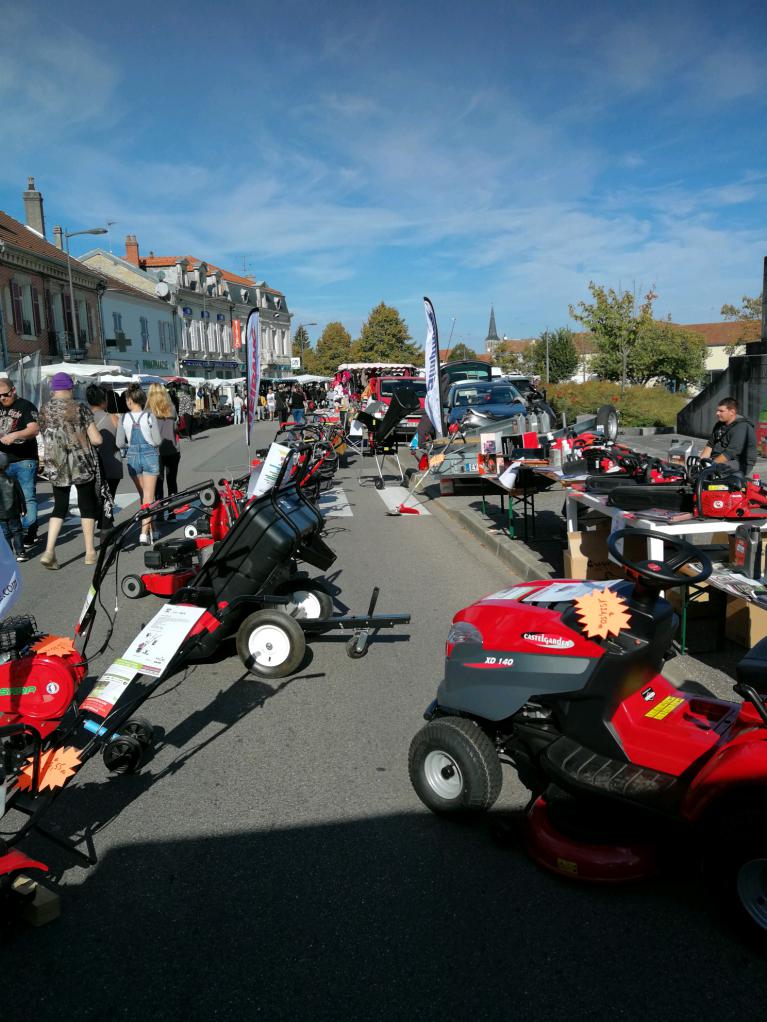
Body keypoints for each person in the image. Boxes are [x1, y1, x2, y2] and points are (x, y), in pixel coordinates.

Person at [37, 372, 103, 569]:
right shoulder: (80, 408)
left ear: (53, 389)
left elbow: (45, 435)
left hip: (56, 464)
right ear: (70, 388)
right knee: (86, 504)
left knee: (60, 506)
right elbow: (96, 439)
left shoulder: (44, 410)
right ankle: (90, 552)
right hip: (81, 463)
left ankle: (49, 551)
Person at [117, 383, 162, 545]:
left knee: (144, 496)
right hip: (150, 455)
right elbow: (157, 441)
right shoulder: (150, 417)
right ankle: (144, 533)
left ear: (129, 400)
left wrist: (131, 446)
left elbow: (119, 443)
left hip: (133, 457)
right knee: (149, 496)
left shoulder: (123, 418)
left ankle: (153, 529)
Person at [0, 378, 40, 552]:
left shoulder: (26, 406)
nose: (2, 398)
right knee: (6, 501)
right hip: (3, 461)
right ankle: (12, 535)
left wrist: (14, 435)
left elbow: (34, 429)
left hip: (25, 460)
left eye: (5, 394)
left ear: (13, 390)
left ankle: (28, 532)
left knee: (27, 497)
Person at [87, 384, 123, 534]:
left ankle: (104, 525)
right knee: (109, 497)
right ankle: (106, 527)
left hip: (90, 466)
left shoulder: (83, 418)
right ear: (104, 400)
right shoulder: (113, 418)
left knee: (94, 497)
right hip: (112, 465)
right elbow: (121, 442)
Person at [700, 396, 757, 476]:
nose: (717, 413)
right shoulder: (719, 425)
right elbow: (710, 445)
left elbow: (730, 453)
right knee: (697, 469)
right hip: (720, 459)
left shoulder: (742, 427)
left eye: (721, 411)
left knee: (714, 471)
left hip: (739, 462)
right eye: (717, 410)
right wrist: (700, 462)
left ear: (732, 412)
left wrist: (710, 465)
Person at [146, 383, 180, 512]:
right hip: (173, 449)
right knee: (172, 482)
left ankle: (159, 513)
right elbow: (176, 428)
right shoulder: (171, 407)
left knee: (158, 483)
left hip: (156, 451)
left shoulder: (148, 411)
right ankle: (172, 513)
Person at [0, 451, 27, 561]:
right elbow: (21, 495)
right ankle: (20, 552)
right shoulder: (12, 479)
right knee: (17, 531)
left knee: (5, 533)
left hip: (0, 513)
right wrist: (23, 508)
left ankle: (8, 554)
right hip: (14, 511)